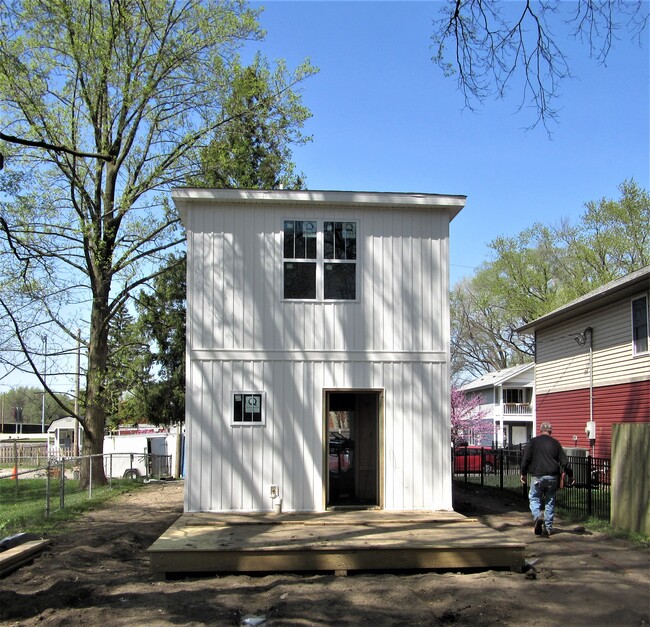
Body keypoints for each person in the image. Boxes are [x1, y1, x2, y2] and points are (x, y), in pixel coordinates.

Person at [520, 422, 573, 537]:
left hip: (537, 476)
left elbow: (526, 458)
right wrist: (571, 475)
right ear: (551, 431)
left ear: (540, 430)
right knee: (550, 501)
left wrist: (523, 473)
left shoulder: (533, 442)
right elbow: (565, 462)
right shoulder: (555, 443)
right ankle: (548, 528)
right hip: (552, 477)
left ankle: (537, 516)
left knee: (534, 498)